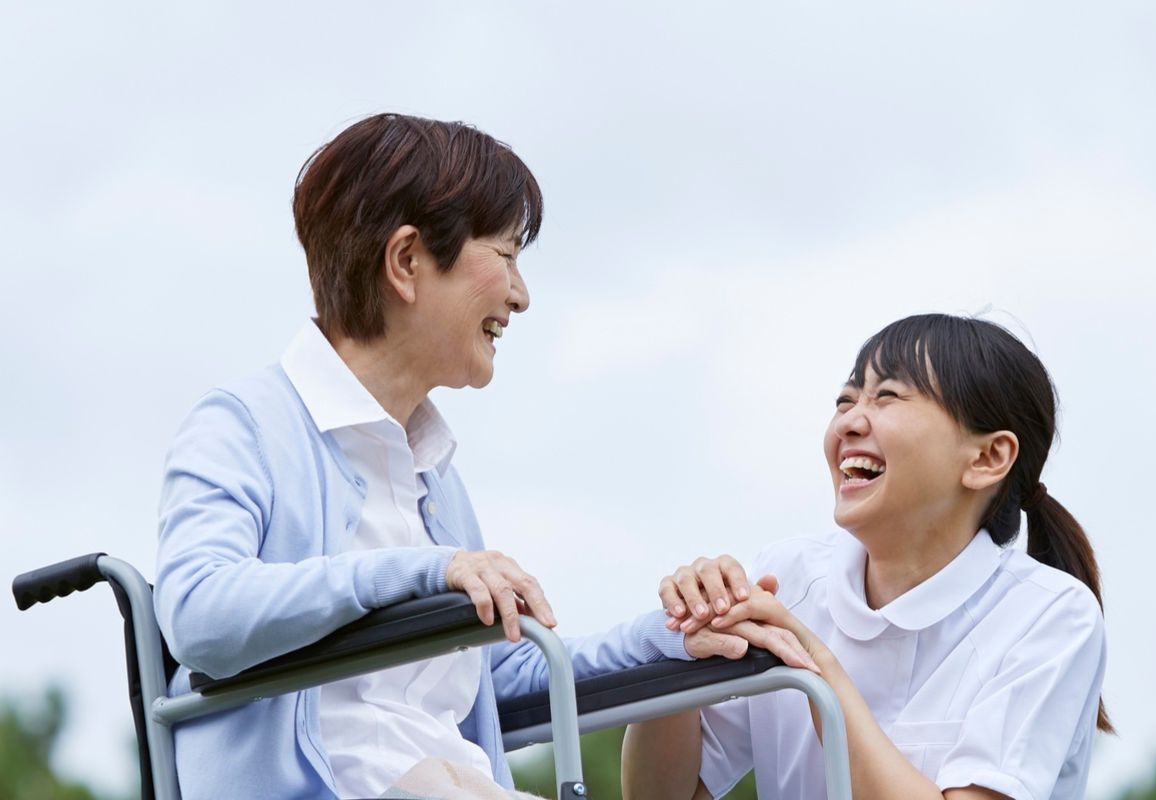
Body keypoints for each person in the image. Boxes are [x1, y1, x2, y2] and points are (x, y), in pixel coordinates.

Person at [154, 114, 770, 800]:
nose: (521, 295)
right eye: (505, 255)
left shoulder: (434, 480)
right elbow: (198, 612)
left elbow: (491, 690)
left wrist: (668, 637)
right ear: (408, 262)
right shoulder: (245, 426)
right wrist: (423, 574)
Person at [623, 314, 1109, 800]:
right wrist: (682, 643)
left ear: (987, 458)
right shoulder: (786, 577)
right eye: (846, 399)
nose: (850, 421)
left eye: (888, 397)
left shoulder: (1053, 616)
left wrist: (815, 664)